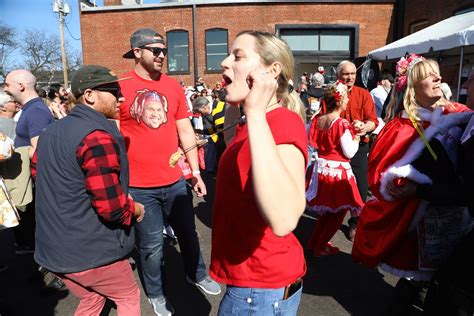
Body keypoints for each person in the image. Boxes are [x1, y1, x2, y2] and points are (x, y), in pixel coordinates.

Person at [351, 55, 473, 314]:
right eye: (430, 75)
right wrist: (404, 183)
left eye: (437, 73)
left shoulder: (461, 116)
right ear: (414, 86)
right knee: (423, 283)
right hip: (424, 223)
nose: (439, 78)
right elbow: (382, 175)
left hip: (459, 212)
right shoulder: (401, 126)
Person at [120, 28, 220, 315]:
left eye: (164, 50)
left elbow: (185, 130)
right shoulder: (121, 86)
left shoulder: (174, 86)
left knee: (189, 233)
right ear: (137, 52)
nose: (163, 55)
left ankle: (197, 274)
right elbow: (113, 136)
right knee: (151, 246)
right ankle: (156, 292)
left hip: (175, 180)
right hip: (139, 186)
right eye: (156, 50)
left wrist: (196, 172)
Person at [210, 30, 308, 315]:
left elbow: (284, 219)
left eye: (238, 56)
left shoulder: (283, 124)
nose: (225, 63)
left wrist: (253, 112)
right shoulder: (252, 123)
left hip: (260, 289)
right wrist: (245, 107)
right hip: (251, 283)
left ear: (272, 70)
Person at [34, 65, 144, 315]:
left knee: (93, 299)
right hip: (88, 250)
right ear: (90, 95)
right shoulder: (97, 136)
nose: (121, 97)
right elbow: (111, 208)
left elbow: (40, 174)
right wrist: (136, 210)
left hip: (53, 250)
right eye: (114, 90)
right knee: (128, 296)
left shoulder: (51, 131)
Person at [306, 81, 364, 256]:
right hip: (337, 173)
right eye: (346, 97)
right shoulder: (340, 123)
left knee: (327, 214)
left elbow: (310, 138)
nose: (347, 101)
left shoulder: (318, 118)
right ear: (339, 101)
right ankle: (320, 245)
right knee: (337, 215)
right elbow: (350, 152)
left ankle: (315, 242)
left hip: (321, 169)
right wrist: (357, 138)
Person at [334, 60, 378, 241]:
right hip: (337, 147)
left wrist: (364, 127)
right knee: (335, 184)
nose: (350, 77)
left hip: (359, 146)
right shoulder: (331, 94)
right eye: (346, 74)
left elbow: (373, 121)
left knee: (360, 185)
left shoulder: (364, 94)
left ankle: (355, 222)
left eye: (352, 74)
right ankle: (332, 219)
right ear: (338, 76)